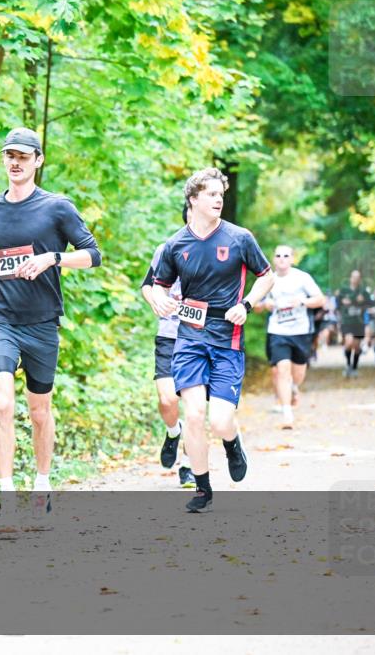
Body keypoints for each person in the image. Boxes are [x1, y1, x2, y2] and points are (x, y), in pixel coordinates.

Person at [0, 127, 101, 528]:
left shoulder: (57, 207)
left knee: (39, 412)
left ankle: (42, 482)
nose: (15, 162)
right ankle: (6, 499)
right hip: (2, 319)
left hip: (42, 324)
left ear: (38, 161)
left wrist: (52, 260)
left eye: (23, 156)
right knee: (1, 403)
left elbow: (93, 255)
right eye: (10, 155)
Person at [152, 167, 274, 513]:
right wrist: (160, 299)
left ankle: (233, 444)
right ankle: (202, 488)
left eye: (221, 194)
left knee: (219, 421)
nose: (218, 199)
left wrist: (246, 304)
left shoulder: (239, 238)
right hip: (189, 339)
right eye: (211, 194)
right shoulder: (176, 245)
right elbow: (159, 285)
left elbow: (266, 277)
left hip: (227, 338)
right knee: (193, 415)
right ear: (193, 199)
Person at [140, 207, 193, 489]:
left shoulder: (221, 250)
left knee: (195, 407)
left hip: (201, 338)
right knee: (167, 399)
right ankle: (174, 432)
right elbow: (148, 286)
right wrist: (156, 302)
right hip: (169, 335)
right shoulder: (167, 249)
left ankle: (188, 465)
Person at [255, 245, 324, 429]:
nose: (282, 259)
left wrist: (302, 301)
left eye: (286, 255)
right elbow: (255, 304)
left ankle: (294, 388)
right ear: (274, 259)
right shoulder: (268, 279)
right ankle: (287, 414)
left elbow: (320, 299)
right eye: (278, 255)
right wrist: (265, 304)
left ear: (292, 259)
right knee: (282, 370)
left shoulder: (302, 278)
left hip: (301, 331)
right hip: (278, 331)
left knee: (298, 373)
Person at [335, 270, 372, 377]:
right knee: (349, 342)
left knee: (356, 346)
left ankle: (354, 367)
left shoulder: (363, 292)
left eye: (358, 277)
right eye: (353, 277)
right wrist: (342, 302)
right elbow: (337, 304)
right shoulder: (343, 291)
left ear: (360, 279)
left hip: (358, 323)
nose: (355, 279)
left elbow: (370, 305)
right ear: (350, 278)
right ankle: (348, 364)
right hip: (347, 321)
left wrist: (363, 301)